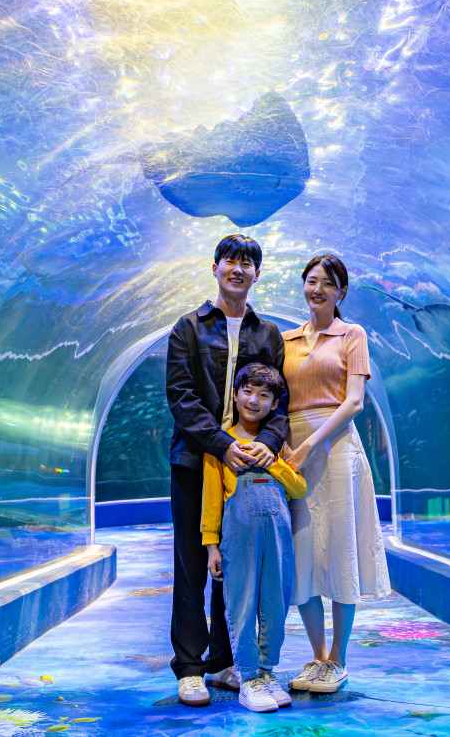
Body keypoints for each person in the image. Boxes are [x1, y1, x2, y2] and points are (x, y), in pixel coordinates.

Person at [165, 234, 288, 707]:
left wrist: (264, 446)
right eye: (230, 261)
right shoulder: (188, 327)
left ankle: (222, 662)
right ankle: (189, 667)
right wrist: (222, 444)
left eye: (247, 263)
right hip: (195, 461)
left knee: (234, 565)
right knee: (192, 563)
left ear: (257, 273)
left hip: (248, 466)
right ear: (214, 267)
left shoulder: (268, 334)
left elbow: (280, 402)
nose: (238, 269)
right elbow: (181, 397)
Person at [281, 253, 390, 694]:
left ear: (341, 291)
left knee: (341, 551)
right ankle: (318, 656)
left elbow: (354, 401)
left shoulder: (352, 334)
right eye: (312, 280)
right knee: (302, 554)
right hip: (292, 454)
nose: (318, 289)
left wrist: (311, 443)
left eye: (328, 282)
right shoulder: (284, 340)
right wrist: (285, 446)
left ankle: (339, 660)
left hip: (338, 449)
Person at [202, 363, 307, 712]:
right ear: (235, 395)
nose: (253, 400)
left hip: (277, 540)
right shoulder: (221, 446)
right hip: (238, 539)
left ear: (274, 404)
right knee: (241, 604)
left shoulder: (276, 444)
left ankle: (267, 673)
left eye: (264, 395)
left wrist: (273, 460)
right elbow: (211, 501)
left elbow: (298, 487)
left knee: (276, 602)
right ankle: (247, 677)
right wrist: (211, 546)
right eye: (247, 391)